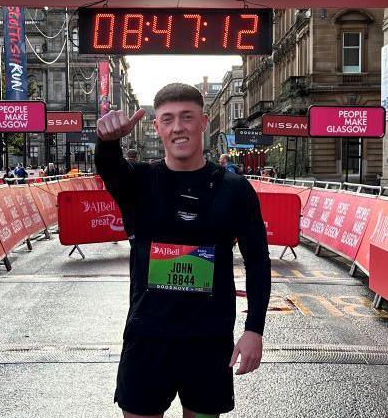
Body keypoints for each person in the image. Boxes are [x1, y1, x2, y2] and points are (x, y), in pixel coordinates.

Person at [96, 83, 271, 418]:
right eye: (168, 119)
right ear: (157, 127)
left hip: (208, 341)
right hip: (148, 337)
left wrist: (254, 330)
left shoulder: (235, 190)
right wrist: (107, 140)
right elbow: (109, 166)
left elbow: (258, 263)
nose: (178, 127)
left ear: (203, 122)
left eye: (187, 117)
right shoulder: (139, 183)